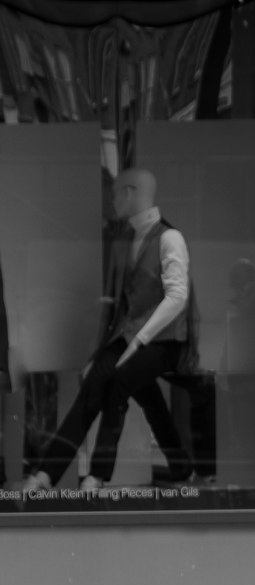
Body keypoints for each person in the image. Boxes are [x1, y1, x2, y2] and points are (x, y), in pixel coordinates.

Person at [23, 168, 193, 493]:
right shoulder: (125, 238)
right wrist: (101, 350)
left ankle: (97, 476)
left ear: (129, 193)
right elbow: (119, 303)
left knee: (117, 385)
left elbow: (178, 297)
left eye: (115, 193)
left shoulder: (170, 238)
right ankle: (46, 475)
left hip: (163, 340)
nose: (111, 201)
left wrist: (140, 340)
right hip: (126, 337)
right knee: (98, 389)